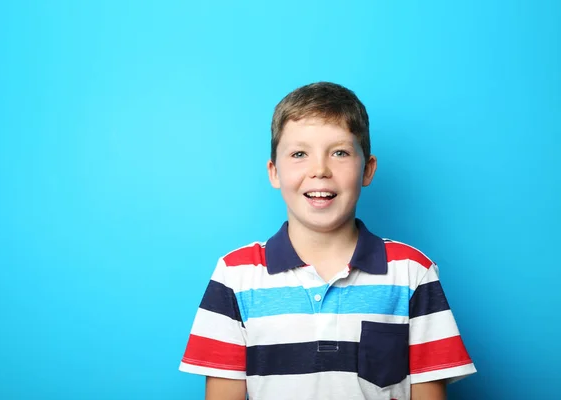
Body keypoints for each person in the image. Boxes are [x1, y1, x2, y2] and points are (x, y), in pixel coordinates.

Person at [179, 82, 476, 400]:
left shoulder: (412, 272)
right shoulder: (234, 275)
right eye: (299, 154)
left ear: (368, 169)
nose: (319, 170)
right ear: (274, 172)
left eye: (340, 153)